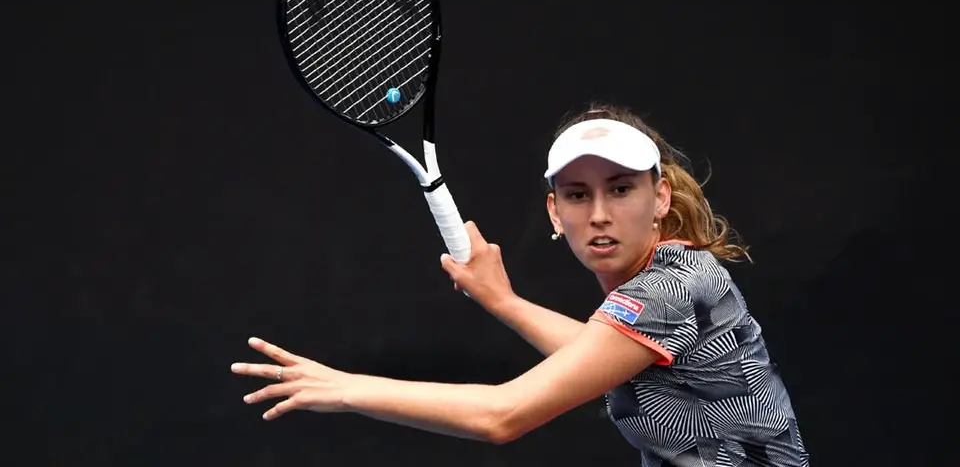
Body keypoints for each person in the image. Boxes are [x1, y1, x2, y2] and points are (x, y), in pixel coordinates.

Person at [231, 103, 809, 466]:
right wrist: (504, 302)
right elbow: (598, 356)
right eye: (578, 195)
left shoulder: (667, 292)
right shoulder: (670, 282)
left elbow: (501, 416)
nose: (599, 214)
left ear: (659, 198)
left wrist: (345, 388)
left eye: (621, 189)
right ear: (555, 212)